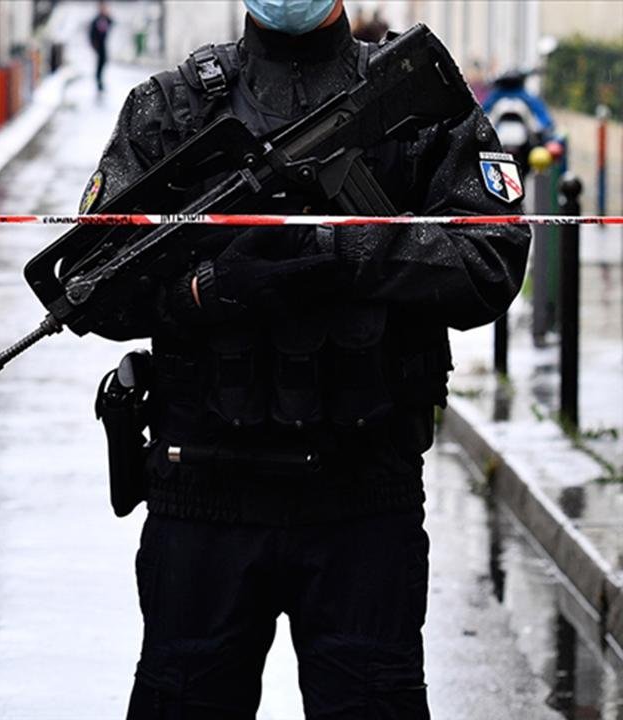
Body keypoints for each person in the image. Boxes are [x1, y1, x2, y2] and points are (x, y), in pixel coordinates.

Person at [80, 0, 530, 716]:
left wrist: (342, 246)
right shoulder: (169, 110)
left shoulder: (417, 97)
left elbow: (490, 262)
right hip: (202, 496)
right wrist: (206, 290)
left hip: (363, 497)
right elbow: (91, 289)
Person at [89, 2, 114, 92]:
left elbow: (112, 23)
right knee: (100, 63)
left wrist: (108, 15)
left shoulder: (105, 19)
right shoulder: (96, 20)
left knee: (104, 62)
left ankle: (100, 80)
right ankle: (98, 81)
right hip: (98, 44)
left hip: (103, 44)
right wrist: (93, 43)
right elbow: (91, 33)